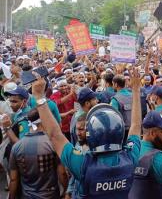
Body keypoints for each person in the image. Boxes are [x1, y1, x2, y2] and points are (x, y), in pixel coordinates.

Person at [31, 68, 143, 198]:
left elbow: (55, 135)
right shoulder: (130, 158)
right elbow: (135, 126)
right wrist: (136, 90)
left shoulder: (82, 164)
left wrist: (39, 97)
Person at [7, 108, 67, 199]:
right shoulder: (52, 144)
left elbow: (14, 179)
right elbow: (62, 173)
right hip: (51, 195)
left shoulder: (17, 147)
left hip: (27, 196)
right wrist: (67, 191)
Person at [111, 75, 133, 142]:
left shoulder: (115, 99)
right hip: (135, 130)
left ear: (116, 84)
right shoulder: (133, 96)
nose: (112, 86)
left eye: (113, 84)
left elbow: (113, 118)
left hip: (123, 132)